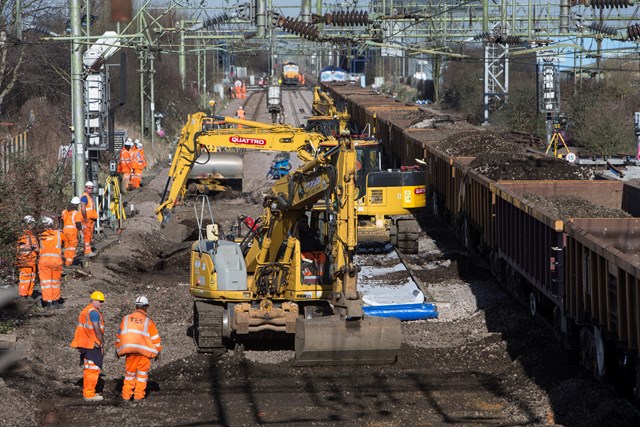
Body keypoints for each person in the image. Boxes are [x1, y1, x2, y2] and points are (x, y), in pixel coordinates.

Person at [116, 296, 162, 402]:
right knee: (141, 375)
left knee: (129, 374)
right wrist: (158, 350)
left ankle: (126, 396)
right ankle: (138, 397)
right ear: (145, 307)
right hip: (144, 352)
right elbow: (155, 338)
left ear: (136, 306)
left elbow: (119, 335)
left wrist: (118, 349)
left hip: (130, 351)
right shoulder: (148, 321)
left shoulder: (126, 319)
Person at [70, 291, 105, 402]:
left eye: (102, 301)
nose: (101, 303)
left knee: (88, 369)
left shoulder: (86, 310)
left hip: (85, 343)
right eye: (100, 301)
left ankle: (88, 392)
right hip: (91, 344)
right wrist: (101, 342)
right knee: (93, 369)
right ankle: (89, 394)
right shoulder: (93, 312)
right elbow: (96, 328)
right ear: (93, 300)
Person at [38, 216, 65, 308]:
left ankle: (49, 302)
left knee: (46, 283)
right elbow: (65, 240)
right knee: (55, 281)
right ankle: (56, 300)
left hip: (44, 261)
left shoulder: (41, 235)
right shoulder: (58, 234)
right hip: (56, 261)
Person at [16, 215, 39, 298]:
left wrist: (36, 249)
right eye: (31, 224)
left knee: (31, 279)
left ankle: (29, 295)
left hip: (32, 261)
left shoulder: (32, 235)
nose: (32, 226)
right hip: (25, 261)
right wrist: (32, 248)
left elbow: (36, 247)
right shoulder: (22, 235)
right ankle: (23, 296)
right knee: (25, 279)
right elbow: (21, 247)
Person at [61, 197, 83, 267]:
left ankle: (66, 259)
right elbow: (78, 224)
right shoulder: (76, 213)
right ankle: (69, 262)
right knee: (72, 246)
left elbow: (61, 222)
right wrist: (81, 233)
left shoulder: (64, 212)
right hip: (72, 231)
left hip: (64, 230)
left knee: (66, 246)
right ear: (77, 205)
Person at [81, 181, 98, 258]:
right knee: (87, 235)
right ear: (85, 188)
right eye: (89, 188)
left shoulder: (90, 196)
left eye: (91, 188)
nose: (90, 189)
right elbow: (83, 208)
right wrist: (85, 219)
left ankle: (87, 250)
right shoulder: (84, 197)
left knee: (89, 235)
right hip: (86, 220)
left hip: (91, 219)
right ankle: (87, 252)